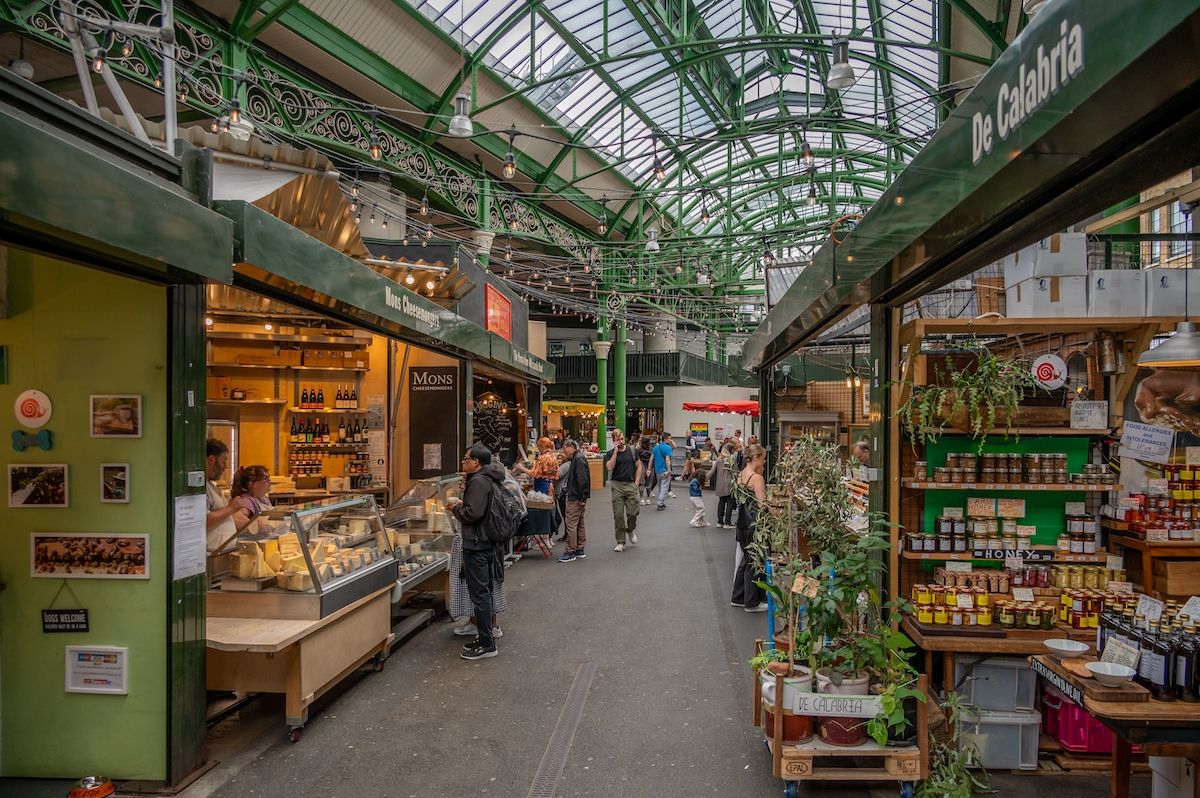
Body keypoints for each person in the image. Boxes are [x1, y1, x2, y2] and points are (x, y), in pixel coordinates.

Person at [445, 444, 507, 661]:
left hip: (477, 544)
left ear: (476, 462)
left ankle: (487, 643)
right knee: (484, 592)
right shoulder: (488, 478)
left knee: (480, 595)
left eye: (465, 459)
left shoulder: (478, 481)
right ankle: (485, 637)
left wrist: (455, 509)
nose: (463, 462)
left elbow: (473, 514)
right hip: (487, 542)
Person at [731, 444, 768, 612]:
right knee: (754, 562)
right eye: (763, 458)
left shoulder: (741, 475)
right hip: (754, 524)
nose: (765, 462)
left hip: (742, 523)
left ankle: (738, 597)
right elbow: (762, 505)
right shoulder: (757, 478)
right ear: (756, 458)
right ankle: (752, 602)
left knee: (746, 560)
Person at [205, 438, 252, 554]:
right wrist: (230, 508)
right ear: (211, 459)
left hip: (223, 551)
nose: (225, 466)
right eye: (223, 461)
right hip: (212, 554)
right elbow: (203, 520)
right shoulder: (202, 488)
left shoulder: (210, 485)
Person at [607, 429, 642, 552]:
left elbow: (639, 467)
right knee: (618, 515)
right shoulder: (611, 453)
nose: (621, 441)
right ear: (614, 441)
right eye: (618, 440)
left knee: (633, 512)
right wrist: (615, 452)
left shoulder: (632, 451)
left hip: (631, 484)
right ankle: (620, 541)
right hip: (617, 485)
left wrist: (636, 483)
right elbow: (610, 467)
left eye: (622, 439)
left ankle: (630, 530)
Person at [558, 439, 591, 562]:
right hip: (578, 495)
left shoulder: (578, 459)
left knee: (571, 523)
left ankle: (570, 551)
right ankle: (579, 548)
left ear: (571, 447)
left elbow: (582, 480)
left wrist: (582, 497)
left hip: (575, 496)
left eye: (565, 448)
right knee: (579, 522)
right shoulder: (578, 458)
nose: (564, 451)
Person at [230, 465, 272, 535]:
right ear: (252, 484)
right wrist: (259, 527)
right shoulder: (247, 500)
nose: (269, 481)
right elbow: (236, 518)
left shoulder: (263, 498)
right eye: (265, 479)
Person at [712, 443, 736, 529]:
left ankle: (720, 522)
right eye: (733, 449)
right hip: (729, 483)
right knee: (729, 503)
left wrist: (703, 478)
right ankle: (727, 523)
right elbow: (735, 471)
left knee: (721, 502)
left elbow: (712, 471)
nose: (733, 451)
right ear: (729, 449)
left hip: (720, 484)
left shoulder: (719, 459)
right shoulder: (731, 458)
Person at [652, 433, 675, 510]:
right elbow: (667, 460)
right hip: (664, 470)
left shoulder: (655, 447)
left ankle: (662, 502)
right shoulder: (668, 448)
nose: (670, 440)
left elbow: (651, 459)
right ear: (666, 439)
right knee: (664, 487)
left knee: (661, 487)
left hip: (657, 470)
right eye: (669, 438)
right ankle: (660, 503)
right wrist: (669, 470)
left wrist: (649, 468)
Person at [685, 461, 709, 528]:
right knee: (701, 508)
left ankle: (701, 521)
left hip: (695, 497)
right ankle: (695, 520)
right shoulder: (695, 481)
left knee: (700, 508)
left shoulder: (694, 480)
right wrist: (698, 489)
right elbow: (693, 487)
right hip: (695, 496)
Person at [635, 435, 655, 506]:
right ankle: (648, 498)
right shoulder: (651, 449)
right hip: (650, 467)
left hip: (641, 467)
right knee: (649, 483)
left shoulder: (638, 449)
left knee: (641, 482)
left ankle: (641, 498)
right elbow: (652, 458)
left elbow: (636, 459)